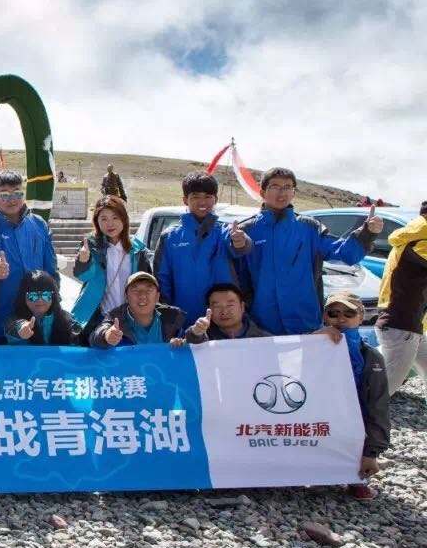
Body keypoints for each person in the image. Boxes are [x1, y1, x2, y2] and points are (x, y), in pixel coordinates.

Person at [238, 167, 381, 335]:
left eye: (287, 187)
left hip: (306, 324)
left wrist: (367, 233)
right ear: (262, 192)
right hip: (260, 325)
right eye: (275, 186)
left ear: (293, 192)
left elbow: (345, 254)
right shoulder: (246, 230)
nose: (282, 192)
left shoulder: (310, 228)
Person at [153, 172, 253, 330]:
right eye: (195, 196)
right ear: (185, 200)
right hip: (184, 321)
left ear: (216, 199)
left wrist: (241, 241)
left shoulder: (224, 231)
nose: (202, 201)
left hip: (223, 321)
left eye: (208, 196)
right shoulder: (169, 237)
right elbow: (161, 280)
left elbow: (241, 247)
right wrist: (169, 318)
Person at [315, 290, 389, 500]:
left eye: (349, 313)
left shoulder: (371, 357)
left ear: (361, 316)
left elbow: (378, 406)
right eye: (334, 313)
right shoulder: (311, 343)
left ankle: (357, 478)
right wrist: (312, 340)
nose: (341, 319)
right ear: (324, 316)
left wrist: (371, 453)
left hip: (355, 422)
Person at [0, 171, 58, 345]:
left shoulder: (39, 224)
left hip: (35, 319)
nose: (12, 199)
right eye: (5, 194)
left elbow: (51, 271)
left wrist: (54, 304)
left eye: (18, 193)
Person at [70, 196, 152, 335]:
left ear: (124, 219)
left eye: (115, 217)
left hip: (132, 319)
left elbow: (148, 285)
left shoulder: (138, 250)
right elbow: (83, 276)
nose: (110, 224)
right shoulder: (91, 246)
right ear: (97, 222)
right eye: (104, 219)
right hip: (99, 318)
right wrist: (83, 261)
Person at [376, 201, 427, 394]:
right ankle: (354, 415)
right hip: (401, 326)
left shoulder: (414, 236)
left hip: (407, 325)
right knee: (382, 391)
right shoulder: (420, 242)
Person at [90, 272, 185, 348]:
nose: (142, 296)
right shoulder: (115, 318)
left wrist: (179, 343)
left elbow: (186, 341)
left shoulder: (172, 317)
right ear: (126, 297)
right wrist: (106, 336)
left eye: (148, 291)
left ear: (157, 297)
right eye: (135, 291)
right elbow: (94, 338)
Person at [5, 270, 83, 346]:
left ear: (53, 297)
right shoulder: (13, 319)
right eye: (33, 296)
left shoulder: (67, 319)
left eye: (45, 295)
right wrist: (21, 330)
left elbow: (78, 341)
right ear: (23, 297)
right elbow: (13, 328)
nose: (40, 300)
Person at [183, 283, 272, 343]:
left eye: (230, 305)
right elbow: (193, 341)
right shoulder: (204, 338)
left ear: (242, 307)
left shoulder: (265, 340)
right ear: (208, 309)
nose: (224, 312)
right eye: (217, 306)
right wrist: (195, 333)